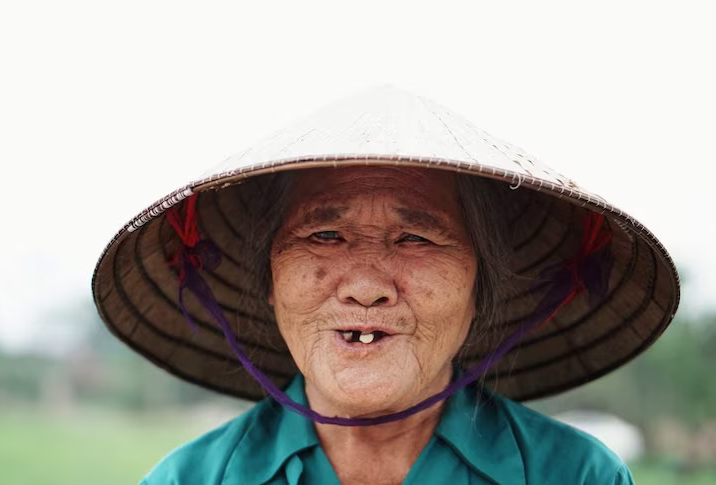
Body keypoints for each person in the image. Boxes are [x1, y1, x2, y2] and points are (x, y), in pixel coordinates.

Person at [91, 86, 679, 484]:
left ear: (480, 288)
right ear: (270, 283)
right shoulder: (192, 479)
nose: (367, 287)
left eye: (416, 239)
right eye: (323, 235)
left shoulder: (573, 475)